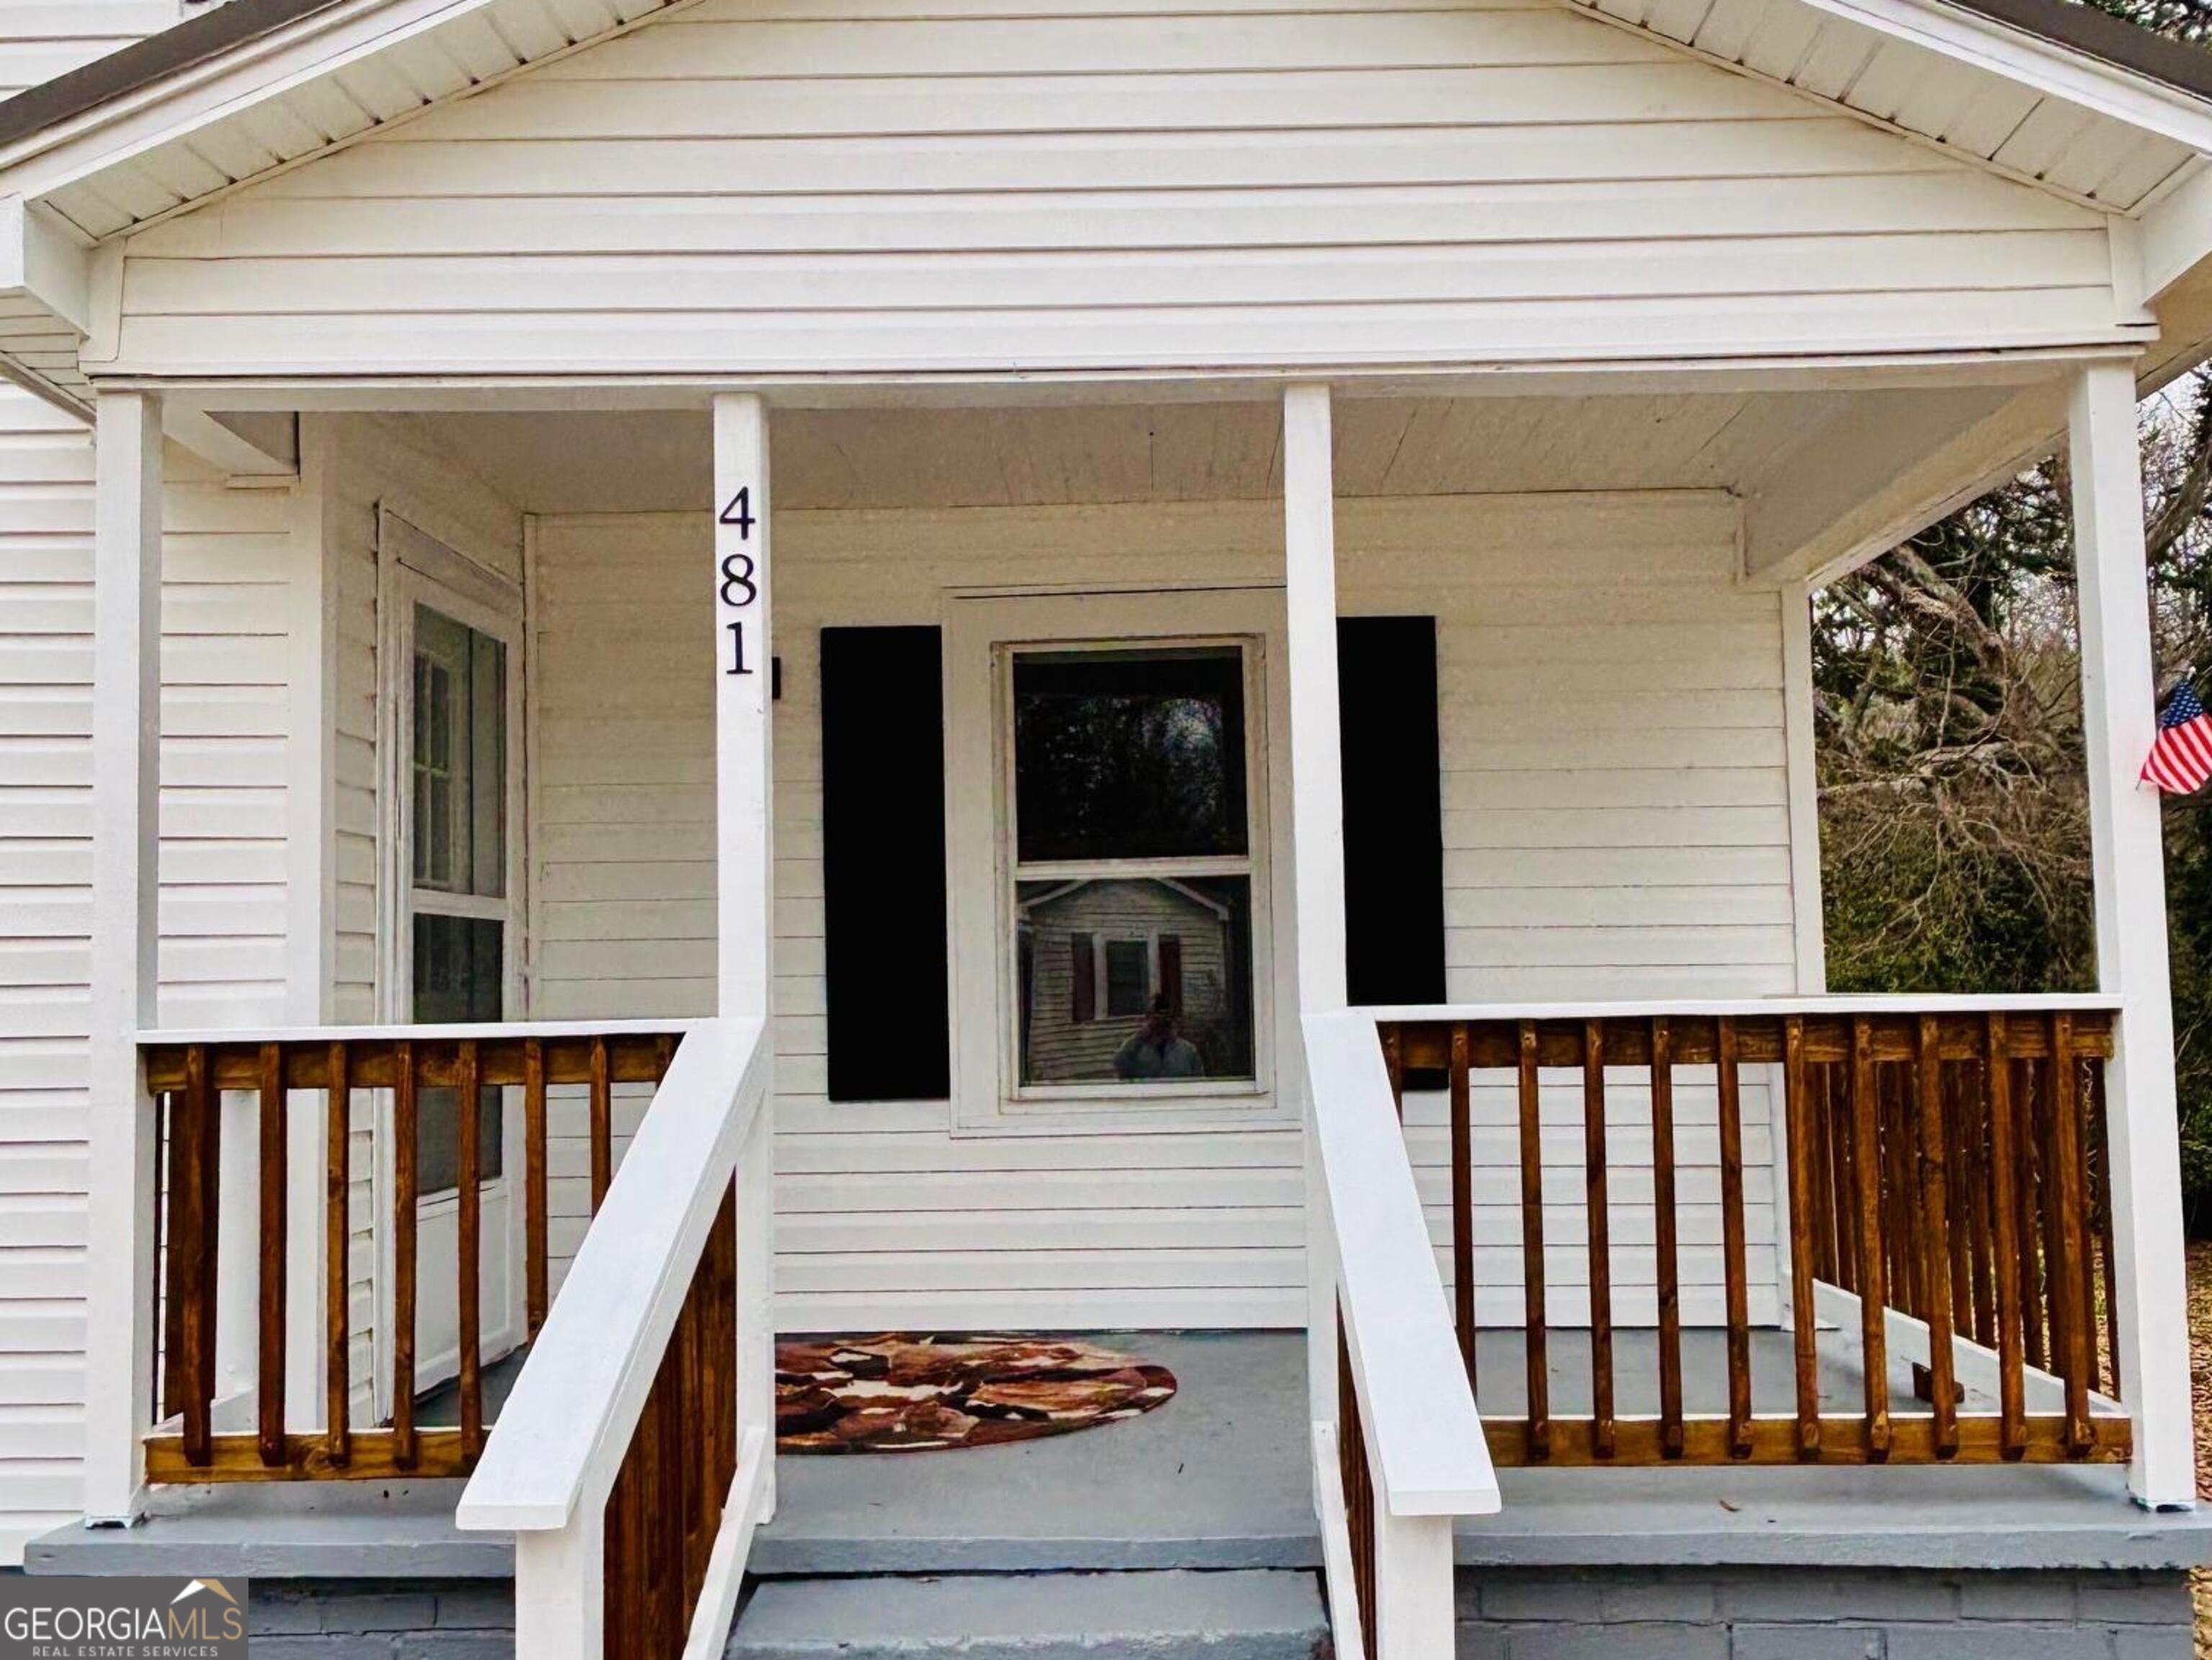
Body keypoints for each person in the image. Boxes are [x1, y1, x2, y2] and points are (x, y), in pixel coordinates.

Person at [1114, 994, 1203, 1079]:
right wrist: (1139, 1038)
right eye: (1156, 1020)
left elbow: (1199, 1083)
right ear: (1148, 1020)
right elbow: (1119, 1065)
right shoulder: (1135, 1049)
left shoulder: (1188, 1051)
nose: (1161, 1026)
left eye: (1166, 1020)